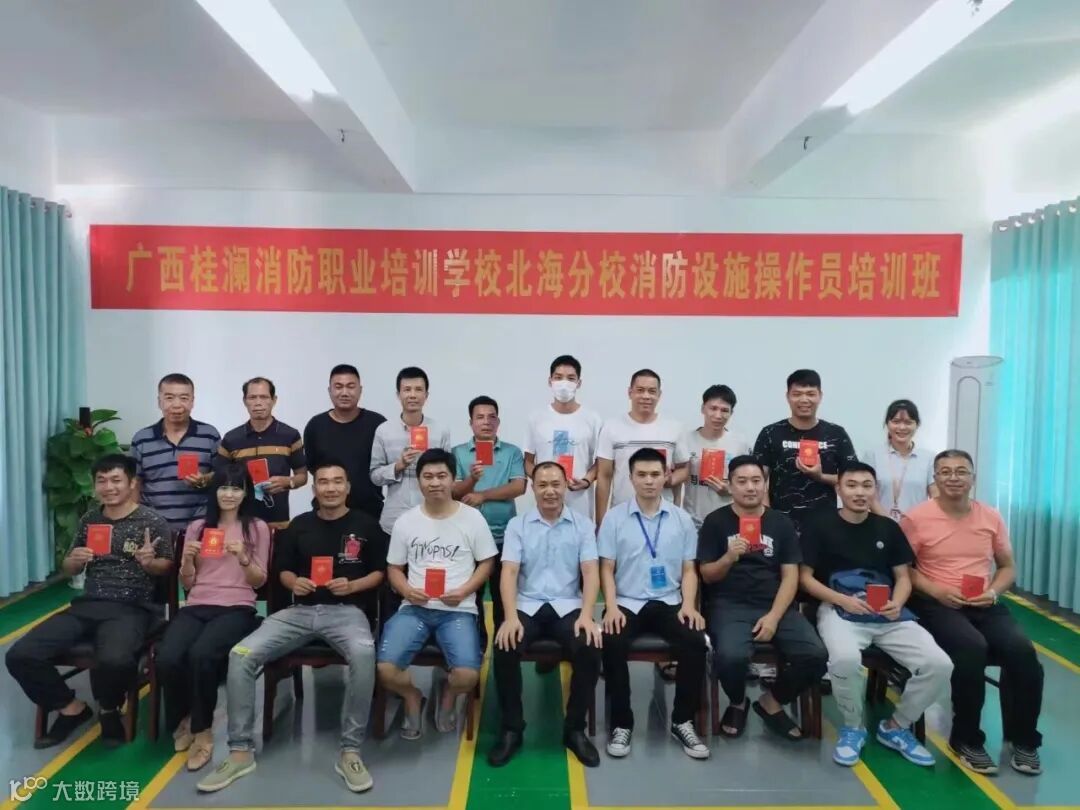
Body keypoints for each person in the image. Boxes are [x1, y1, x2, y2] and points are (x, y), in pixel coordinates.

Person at [197, 461, 387, 794]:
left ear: (347, 487)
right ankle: (240, 752)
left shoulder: (367, 525)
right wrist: (293, 582)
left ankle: (350, 751)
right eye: (323, 482)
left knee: (363, 653)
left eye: (337, 482)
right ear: (314, 488)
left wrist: (354, 587)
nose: (330, 488)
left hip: (347, 612)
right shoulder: (300, 525)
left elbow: (380, 573)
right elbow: (283, 570)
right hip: (299, 612)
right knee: (241, 654)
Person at [6, 454, 174, 749]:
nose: (108, 487)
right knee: (20, 654)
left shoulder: (152, 521)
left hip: (132, 608)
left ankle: (108, 708)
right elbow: (69, 568)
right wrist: (74, 560)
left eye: (116, 480)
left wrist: (150, 563)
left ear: (132, 483)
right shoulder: (89, 520)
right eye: (102, 481)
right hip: (88, 604)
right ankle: (70, 708)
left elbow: (167, 567)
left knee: (116, 659)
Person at [799, 462, 952, 769]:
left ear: (875, 490)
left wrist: (897, 602)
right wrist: (842, 600)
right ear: (839, 488)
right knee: (844, 660)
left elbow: (904, 577)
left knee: (939, 664)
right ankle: (853, 727)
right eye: (852, 485)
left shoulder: (888, 528)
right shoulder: (819, 525)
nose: (859, 492)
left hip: (888, 614)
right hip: (840, 610)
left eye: (866, 485)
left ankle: (896, 726)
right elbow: (805, 578)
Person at [902, 450, 1044, 776]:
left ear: (973, 478)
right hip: (936, 603)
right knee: (971, 648)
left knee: (1022, 652)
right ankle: (965, 739)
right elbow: (903, 569)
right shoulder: (916, 518)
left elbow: (1007, 567)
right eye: (945, 471)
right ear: (935, 478)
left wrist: (993, 592)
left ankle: (1025, 740)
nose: (953, 477)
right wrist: (936, 590)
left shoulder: (991, 517)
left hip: (983, 602)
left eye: (961, 471)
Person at [698, 455, 827, 740]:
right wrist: (728, 557)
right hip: (729, 605)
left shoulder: (781, 523)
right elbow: (707, 575)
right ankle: (737, 701)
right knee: (730, 658)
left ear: (765, 484)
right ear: (730, 486)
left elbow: (790, 576)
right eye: (742, 481)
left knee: (816, 655)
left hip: (775, 604)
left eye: (756, 481)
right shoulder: (715, 522)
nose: (750, 487)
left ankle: (772, 701)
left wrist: (774, 617)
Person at [488, 461, 603, 768]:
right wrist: (510, 617)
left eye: (555, 484)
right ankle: (512, 728)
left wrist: (588, 615)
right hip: (527, 605)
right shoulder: (518, 526)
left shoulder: (583, 525)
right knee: (504, 645)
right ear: (533, 488)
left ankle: (574, 729)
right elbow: (509, 572)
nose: (549, 491)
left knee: (590, 646)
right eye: (542, 485)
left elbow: (590, 572)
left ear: (565, 486)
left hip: (568, 606)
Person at [377, 449, 497, 739]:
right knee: (385, 670)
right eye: (427, 476)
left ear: (453, 479)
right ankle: (412, 697)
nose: (434, 483)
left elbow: (487, 562)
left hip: (458, 611)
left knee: (467, 675)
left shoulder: (472, 518)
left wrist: (465, 590)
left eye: (442, 476)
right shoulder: (406, 521)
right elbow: (394, 568)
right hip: (414, 609)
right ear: (418, 481)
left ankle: (448, 696)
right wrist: (406, 590)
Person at [157, 465, 269, 771]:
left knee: (202, 654)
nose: (229, 494)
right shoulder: (197, 527)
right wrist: (188, 560)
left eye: (236, 488)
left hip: (237, 606)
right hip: (197, 604)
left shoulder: (256, 527)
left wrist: (243, 557)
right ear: (214, 491)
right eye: (223, 487)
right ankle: (184, 717)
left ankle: (203, 732)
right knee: (167, 656)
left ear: (246, 493)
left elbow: (259, 582)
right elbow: (188, 583)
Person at [599, 448, 709, 760]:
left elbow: (689, 569)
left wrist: (689, 605)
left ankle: (682, 720)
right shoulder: (614, 518)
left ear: (666, 476)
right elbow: (606, 568)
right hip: (626, 601)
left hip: (669, 600)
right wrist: (611, 607)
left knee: (694, 641)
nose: (649, 481)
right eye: (642, 475)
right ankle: (622, 723)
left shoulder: (681, 519)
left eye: (655, 474)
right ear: (631, 478)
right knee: (612, 641)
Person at [452, 395, 527, 640]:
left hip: (504, 537)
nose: (486, 422)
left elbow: (519, 487)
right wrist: (472, 480)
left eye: (491, 417)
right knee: (470, 598)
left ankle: (504, 645)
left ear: (498, 421)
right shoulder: (458, 453)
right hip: (467, 539)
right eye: (480, 417)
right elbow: (453, 492)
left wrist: (482, 495)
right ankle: (476, 647)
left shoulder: (512, 452)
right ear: (471, 422)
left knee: (503, 597)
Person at [753, 369, 857, 533]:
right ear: (787, 396)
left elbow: (853, 479)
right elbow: (757, 479)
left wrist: (820, 476)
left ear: (820, 396)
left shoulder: (836, 434)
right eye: (797, 394)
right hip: (781, 525)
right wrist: (767, 517)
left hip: (826, 525)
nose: (804, 400)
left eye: (810, 394)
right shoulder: (770, 433)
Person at [595, 369, 689, 528]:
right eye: (640, 390)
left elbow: (685, 469)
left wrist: (671, 479)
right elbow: (604, 476)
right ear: (630, 392)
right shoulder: (611, 427)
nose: (646, 396)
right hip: (622, 516)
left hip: (663, 517)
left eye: (652, 391)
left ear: (659, 395)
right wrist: (600, 523)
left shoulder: (674, 428)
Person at [130, 373, 221, 532]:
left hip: (199, 527)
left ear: (192, 401)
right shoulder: (142, 439)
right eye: (169, 398)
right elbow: (135, 483)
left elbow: (222, 475)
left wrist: (205, 479)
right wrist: (134, 523)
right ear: (159, 401)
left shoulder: (209, 435)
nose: (177, 405)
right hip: (152, 526)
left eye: (184, 398)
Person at [370, 366, 452, 535]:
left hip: (433, 519)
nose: (412, 395)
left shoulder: (440, 430)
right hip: (394, 520)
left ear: (426, 395)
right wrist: (398, 466)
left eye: (418, 390)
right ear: (398, 394)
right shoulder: (384, 431)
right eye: (407, 390)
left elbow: (449, 475)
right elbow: (375, 476)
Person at [217, 377, 307, 530]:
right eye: (252, 397)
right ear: (245, 401)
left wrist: (288, 482)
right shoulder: (231, 438)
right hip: (240, 525)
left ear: (274, 400)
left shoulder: (290, 435)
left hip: (278, 523)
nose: (258, 403)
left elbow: (302, 476)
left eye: (264, 397)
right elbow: (220, 479)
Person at [523, 354, 604, 517]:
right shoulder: (536, 418)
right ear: (550, 381)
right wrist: (544, 482)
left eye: (570, 378)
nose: (564, 383)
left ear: (579, 383)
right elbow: (528, 462)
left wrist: (586, 481)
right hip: (545, 502)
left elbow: (601, 462)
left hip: (580, 503)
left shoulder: (592, 419)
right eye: (558, 377)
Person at [303, 364, 386, 522]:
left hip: (370, 513)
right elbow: (313, 468)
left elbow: (384, 469)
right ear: (330, 391)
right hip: (326, 513)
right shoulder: (316, 426)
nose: (344, 392)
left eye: (351, 386)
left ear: (360, 390)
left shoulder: (377, 424)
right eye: (338, 387)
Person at [679, 384, 753, 529]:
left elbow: (750, 484)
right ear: (703, 408)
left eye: (724, 410)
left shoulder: (740, 444)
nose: (718, 415)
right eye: (713, 408)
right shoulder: (685, 440)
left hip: (727, 520)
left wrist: (730, 490)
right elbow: (678, 478)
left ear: (731, 413)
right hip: (692, 520)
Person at [861, 399, 936, 522]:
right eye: (896, 422)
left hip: (917, 526)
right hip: (880, 525)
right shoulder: (872, 455)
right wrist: (890, 525)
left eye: (908, 422)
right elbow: (868, 495)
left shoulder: (929, 458)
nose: (902, 427)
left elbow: (935, 497)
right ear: (887, 423)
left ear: (917, 425)